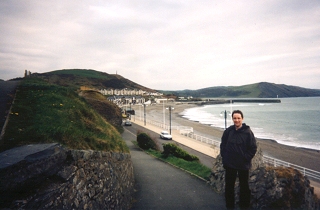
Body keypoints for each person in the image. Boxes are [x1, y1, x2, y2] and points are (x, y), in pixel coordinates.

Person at [220, 110, 257, 209]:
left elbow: (253, 148)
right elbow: (222, 145)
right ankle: (230, 207)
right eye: (234, 118)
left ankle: (244, 207)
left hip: (243, 165)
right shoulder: (228, 131)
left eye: (238, 118)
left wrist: (245, 158)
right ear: (232, 119)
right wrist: (225, 156)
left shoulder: (248, 133)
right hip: (230, 164)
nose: (236, 120)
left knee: (244, 188)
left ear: (242, 119)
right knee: (229, 187)